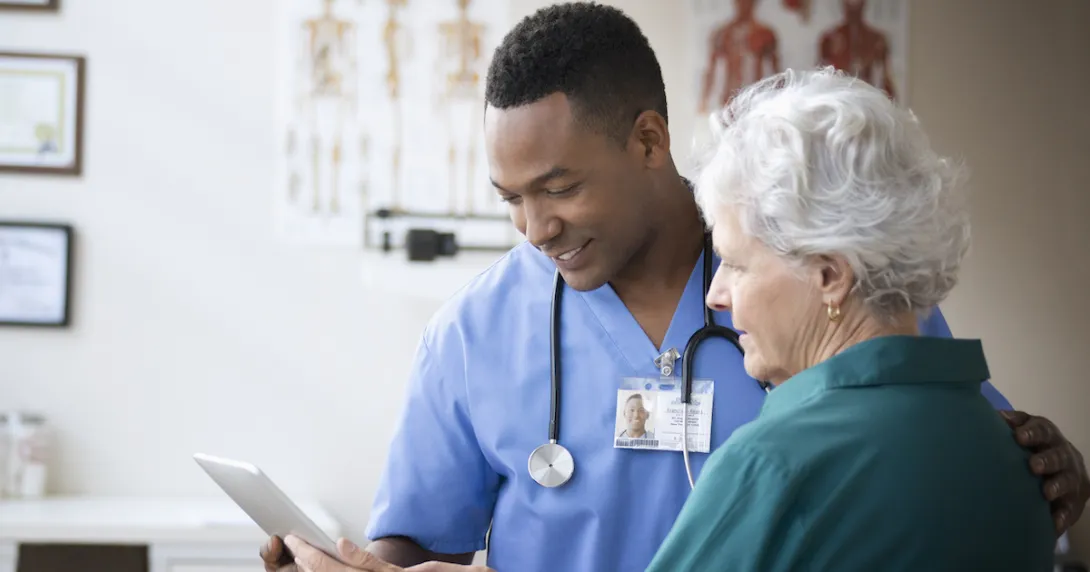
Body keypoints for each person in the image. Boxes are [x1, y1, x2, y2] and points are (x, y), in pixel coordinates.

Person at [264, 4, 1089, 572]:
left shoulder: (822, 282)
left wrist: (1049, 469)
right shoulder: (474, 334)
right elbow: (408, 542)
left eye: (558, 188)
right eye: (510, 199)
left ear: (649, 140)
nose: (534, 228)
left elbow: (949, 455)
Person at [645, 66, 1057, 572]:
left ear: (828, 275)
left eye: (736, 263)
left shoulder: (774, 465)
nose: (715, 294)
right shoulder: (1015, 459)